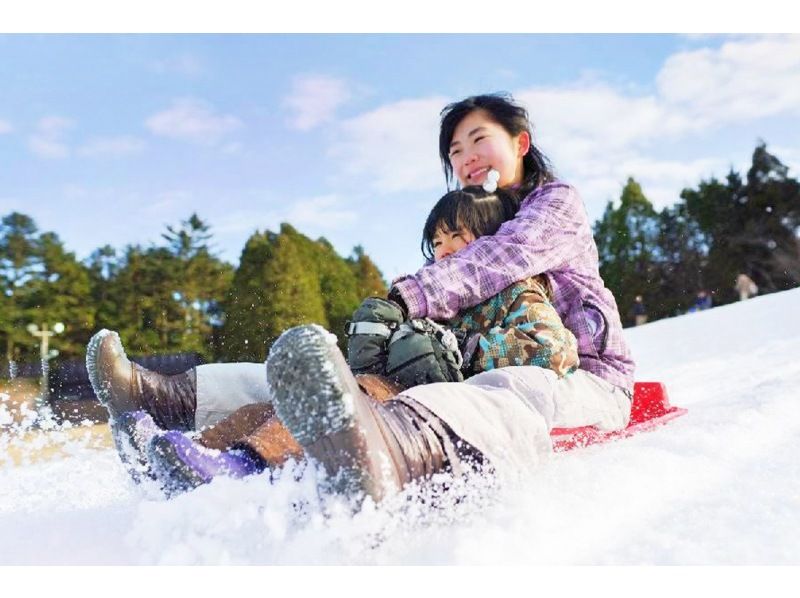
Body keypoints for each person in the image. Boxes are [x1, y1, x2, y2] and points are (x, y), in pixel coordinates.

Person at [263, 93, 635, 507]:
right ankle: (215, 428)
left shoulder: (555, 203)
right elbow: (450, 283)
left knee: (508, 388)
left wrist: (410, 302)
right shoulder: (469, 227)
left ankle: (390, 458)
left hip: (584, 380)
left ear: (520, 143)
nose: (467, 159)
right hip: (484, 376)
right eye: (456, 152)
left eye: (479, 140)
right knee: (357, 382)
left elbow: (505, 256)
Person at [92, 184, 581, 494]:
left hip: (436, 404)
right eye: (437, 241)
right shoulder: (440, 298)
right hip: (398, 384)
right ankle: (186, 456)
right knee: (281, 406)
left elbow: (552, 349)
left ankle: (243, 463)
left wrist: (467, 350)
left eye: (458, 236)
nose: (444, 249)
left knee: (347, 400)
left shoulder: (514, 291)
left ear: (490, 239)